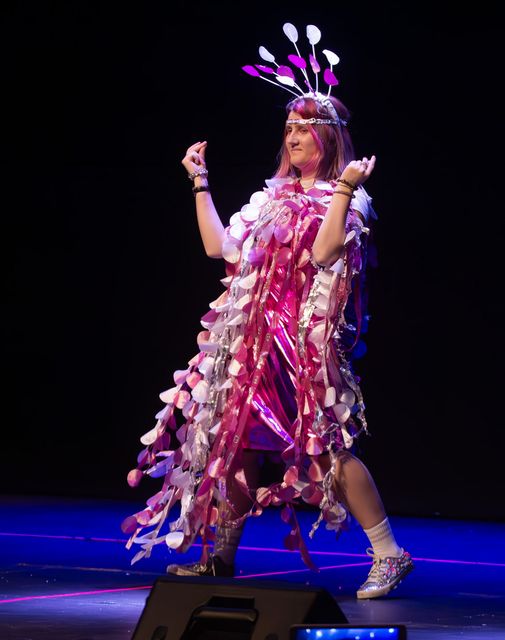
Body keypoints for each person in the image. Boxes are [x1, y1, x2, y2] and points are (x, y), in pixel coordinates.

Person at [122, 25, 414, 600]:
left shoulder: (348, 197)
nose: (293, 137)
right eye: (288, 129)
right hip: (251, 344)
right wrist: (200, 183)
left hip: (300, 347)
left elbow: (326, 252)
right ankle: (220, 558)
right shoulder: (272, 197)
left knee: (327, 447)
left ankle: (389, 553)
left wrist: (343, 191)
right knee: (233, 443)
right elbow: (220, 251)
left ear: (329, 138)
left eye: (304, 128)